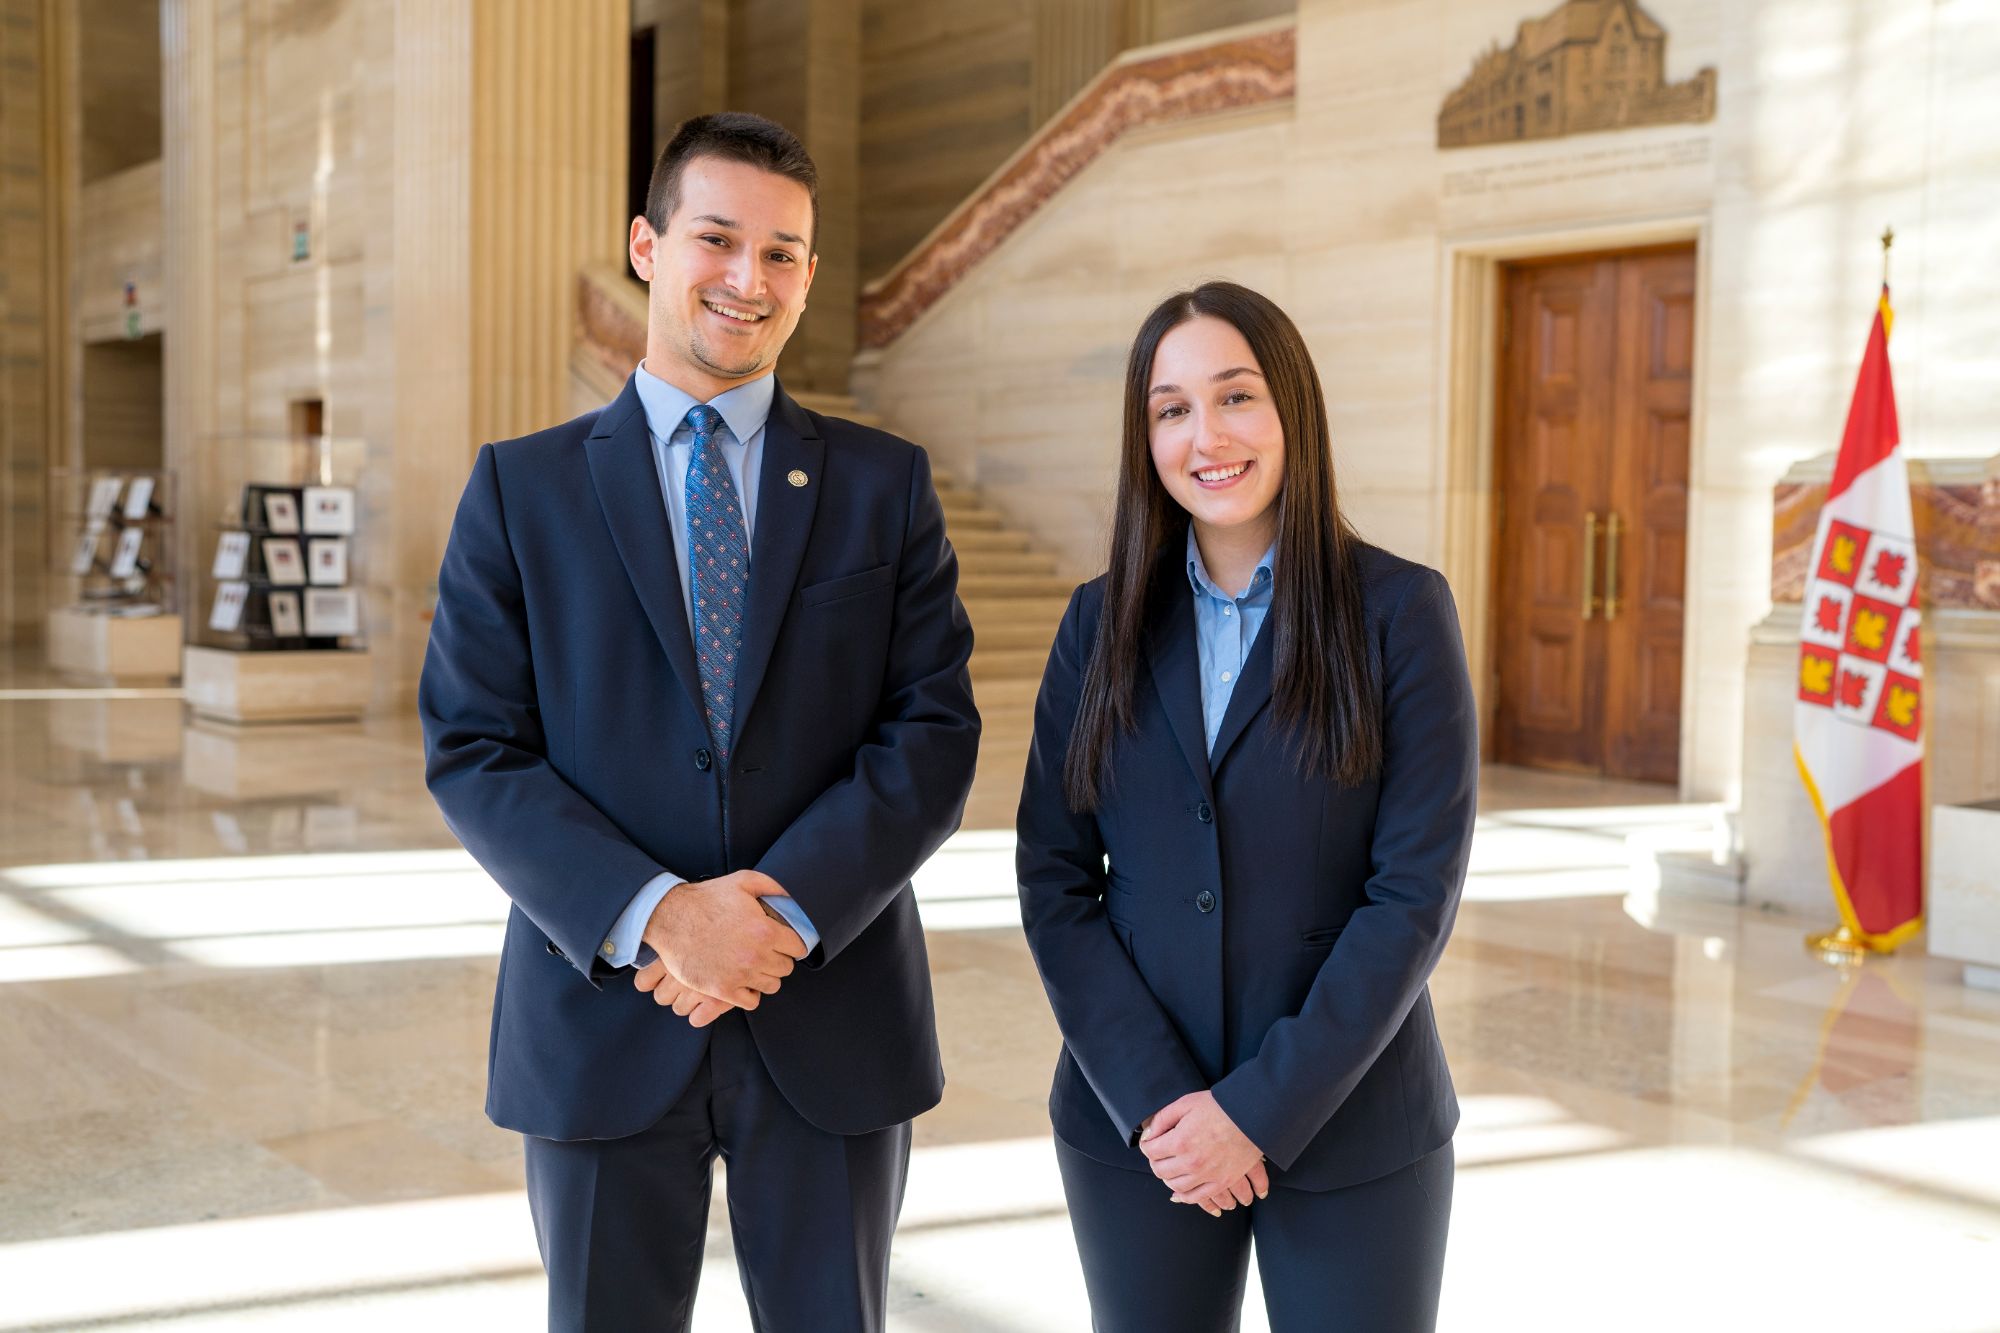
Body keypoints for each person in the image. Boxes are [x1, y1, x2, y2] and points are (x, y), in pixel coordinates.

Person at [419, 111, 979, 1333]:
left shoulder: (883, 485)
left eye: (783, 252)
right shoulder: (522, 489)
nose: (748, 278)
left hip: (829, 1019)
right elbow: (473, 746)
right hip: (604, 1015)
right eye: (717, 238)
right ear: (646, 246)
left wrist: (770, 917)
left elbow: (930, 731)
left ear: (811, 276)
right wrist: (663, 918)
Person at [1015, 281, 1477, 1332]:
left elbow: (1411, 894)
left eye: (1234, 397)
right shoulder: (1096, 622)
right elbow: (1052, 876)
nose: (1204, 434)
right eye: (1170, 408)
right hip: (1138, 1127)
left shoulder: (1398, 612)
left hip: (1353, 1123)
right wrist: (1160, 1106)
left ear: (1290, 413)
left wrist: (1256, 1114)